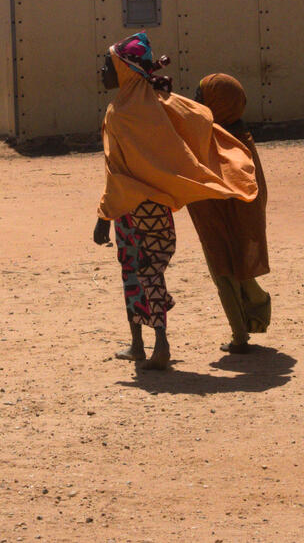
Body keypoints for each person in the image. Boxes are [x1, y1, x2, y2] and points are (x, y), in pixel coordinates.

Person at [94, 32, 258, 369]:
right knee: (140, 271)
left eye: (107, 65)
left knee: (141, 273)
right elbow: (199, 118)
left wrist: (103, 216)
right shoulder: (162, 103)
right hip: (152, 208)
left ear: (124, 70)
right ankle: (140, 345)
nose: (101, 71)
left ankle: (159, 346)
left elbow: (117, 172)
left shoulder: (120, 114)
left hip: (131, 207)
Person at [188, 74, 272, 354]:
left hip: (222, 216)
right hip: (235, 215)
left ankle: (241, 334)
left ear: (218, 103)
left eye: (201, 97)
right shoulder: (240, 134)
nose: (196, 101)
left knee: (223, 270)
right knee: (235, 266)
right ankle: (253, 312)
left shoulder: (220, 139)